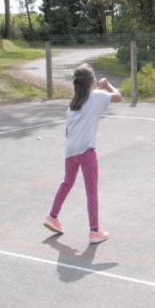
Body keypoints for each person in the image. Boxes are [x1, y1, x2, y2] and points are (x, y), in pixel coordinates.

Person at [44, 63, 121, 244]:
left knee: (67, 182)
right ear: (91, 82)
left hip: (71, 150)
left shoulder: (73, 104)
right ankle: (94, 231)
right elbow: (118, 97)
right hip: (87, 150)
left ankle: (52, 216)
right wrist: (107, 84)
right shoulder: (97, 96)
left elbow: (67, 132)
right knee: (91, 190)